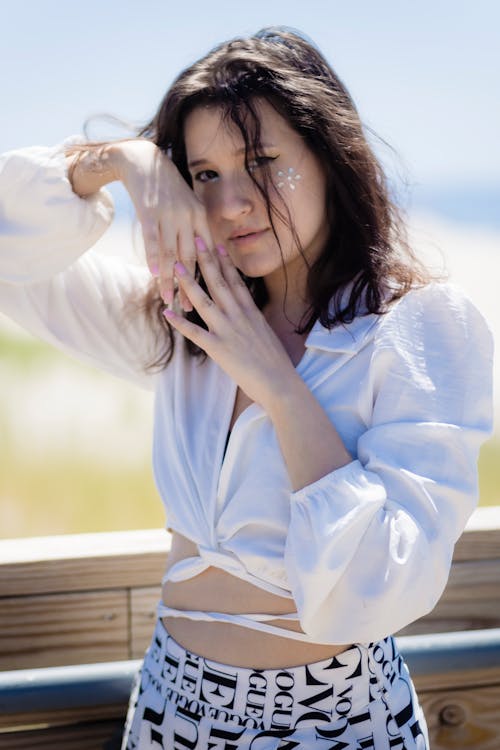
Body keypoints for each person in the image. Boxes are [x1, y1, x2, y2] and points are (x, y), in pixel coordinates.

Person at [0, 26, 493, 750]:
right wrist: (125, 164)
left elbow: (381, 586)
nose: (231, 203)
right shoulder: (185, 319)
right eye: (202, 175)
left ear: (329, 158)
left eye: (262, 163)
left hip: (335, 727)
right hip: (171, 713)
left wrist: (276, 384)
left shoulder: (418, 329)